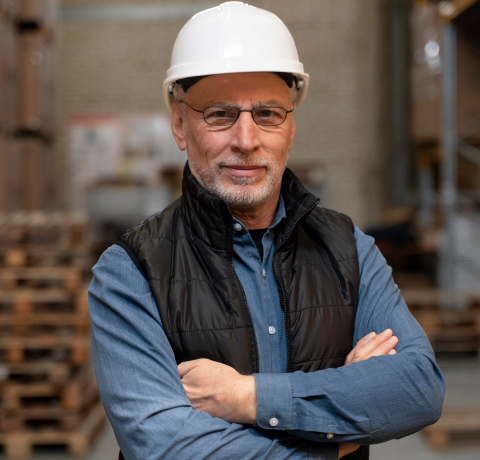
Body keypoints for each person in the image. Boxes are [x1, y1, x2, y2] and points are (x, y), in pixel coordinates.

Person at [88, 3, 445, 460]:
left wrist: (245, 396)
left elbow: (418, 389)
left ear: (291, 127)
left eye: (268, 114)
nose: (246, 139)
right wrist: (339, 439)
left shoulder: (349, 249)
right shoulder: (129, 270)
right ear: (180, 124)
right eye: (219, 114)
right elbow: (164, 445)